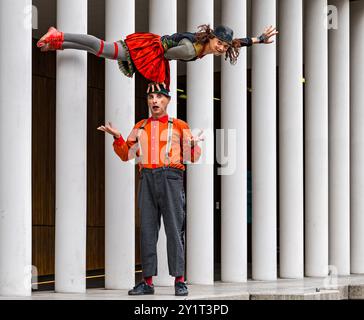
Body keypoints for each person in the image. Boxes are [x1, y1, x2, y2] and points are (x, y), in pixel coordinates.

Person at [97, 84, 203, 296]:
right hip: (147, 178)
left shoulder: (180, 125)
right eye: (151, 97)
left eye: (159, 97)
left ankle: (179, 280)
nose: (155, 101)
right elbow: (126, 154)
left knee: (174, 230)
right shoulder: (140, 126)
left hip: (171, 178)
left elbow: (193, 157)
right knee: (147, 230)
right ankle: (147, 282)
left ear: (168, 101)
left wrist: (191, 145)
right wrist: (117, 137)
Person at [37, 24, 278, 91]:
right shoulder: (190, 49)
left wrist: (258, 39)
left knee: (99, 51)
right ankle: (58, 35)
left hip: (153, 50)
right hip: (150, 51)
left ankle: (57, 42)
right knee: (103, 47)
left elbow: (238, 42)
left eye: (224, 47)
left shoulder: (205, 46)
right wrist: (160, 78)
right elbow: (165, 54)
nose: (221, 48)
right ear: (211, 38)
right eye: (219, 43)